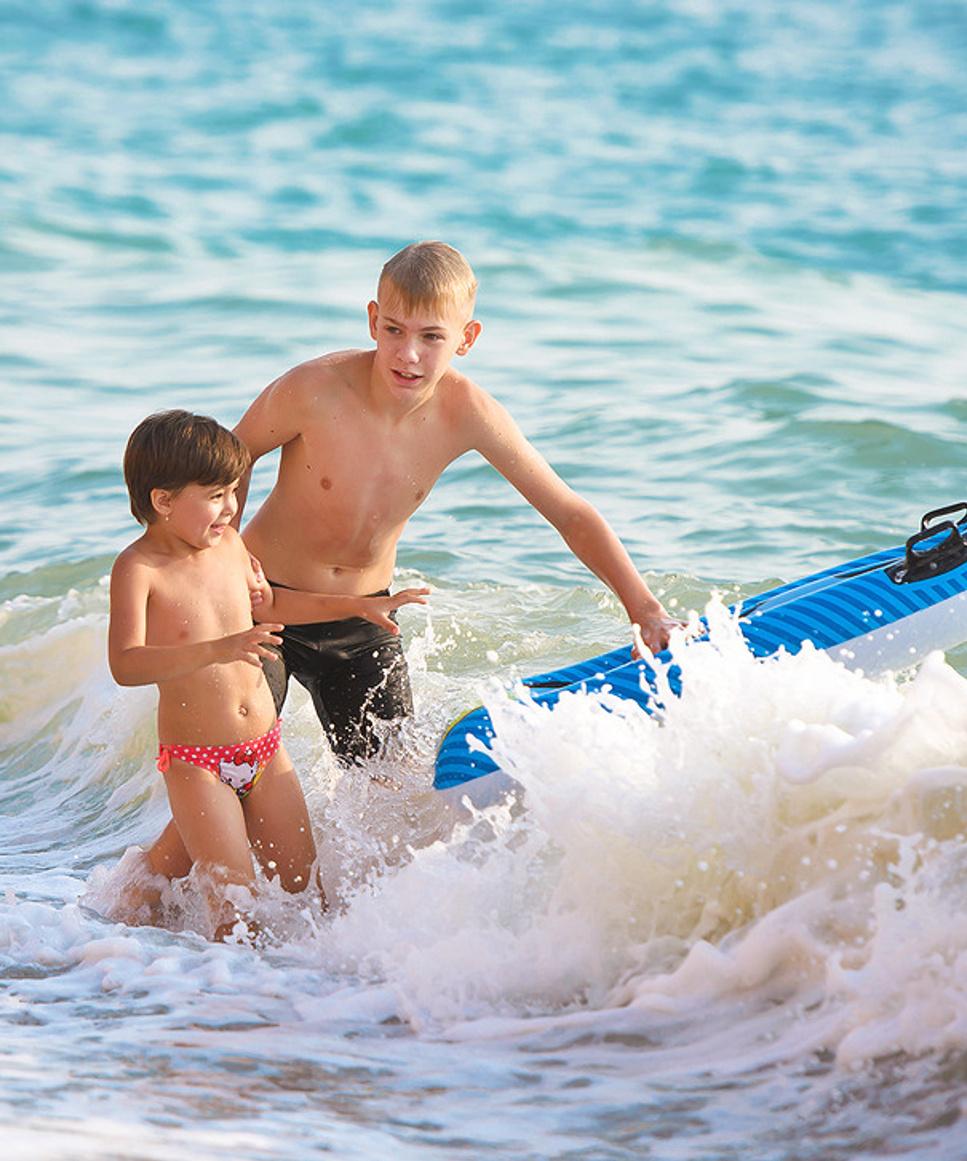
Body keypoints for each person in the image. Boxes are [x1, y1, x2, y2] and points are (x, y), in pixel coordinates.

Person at [234, 239, 679, 765]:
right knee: (239, 758)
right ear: (373, 320)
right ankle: (162, 851)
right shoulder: (313, 389)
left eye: (431, 337)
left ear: (466, 339)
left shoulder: (467, 412)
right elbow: (229, 461)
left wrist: (646, 610)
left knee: (391, 795)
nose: (408, 354)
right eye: (394, 330)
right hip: (265, 605)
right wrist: (225, 569)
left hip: (365, 618)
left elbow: (568, 512)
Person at [107, 410, 428, 938]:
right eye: (214, 495)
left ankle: (300, 997)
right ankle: (206, 998)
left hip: (264, 749)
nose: (231, 506)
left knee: (307, 900)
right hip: (198, 764)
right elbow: (125, 663)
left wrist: (358, 607)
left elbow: (272, 603)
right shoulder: (139, 569)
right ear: (163, 501)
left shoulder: (231, 544)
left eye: (232, 491)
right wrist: (218, 648)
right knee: (236, 915)